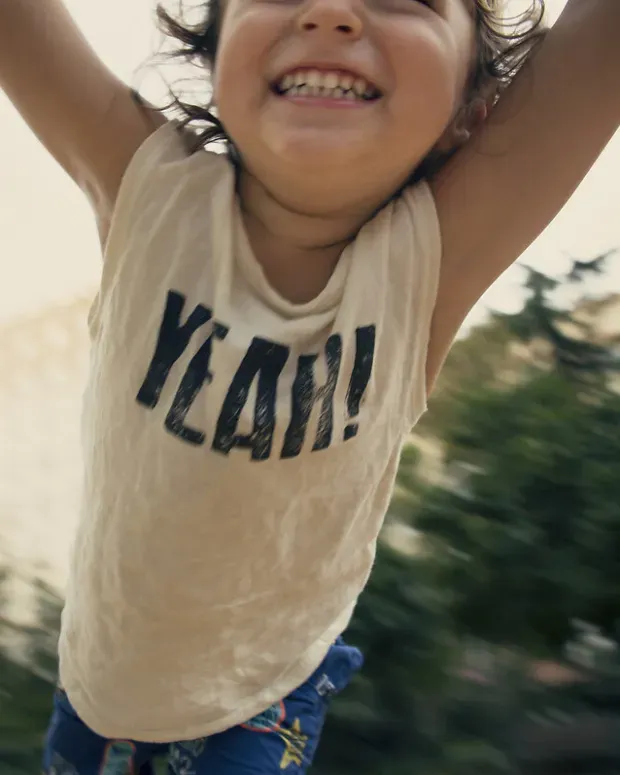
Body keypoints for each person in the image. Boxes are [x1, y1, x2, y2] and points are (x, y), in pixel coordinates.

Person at [1, 0, 619, 772]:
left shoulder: (424, 264)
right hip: (91, 693)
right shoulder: (150, 192)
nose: (329, 13)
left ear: (474, 111)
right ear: (214, 57)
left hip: (254, 708)